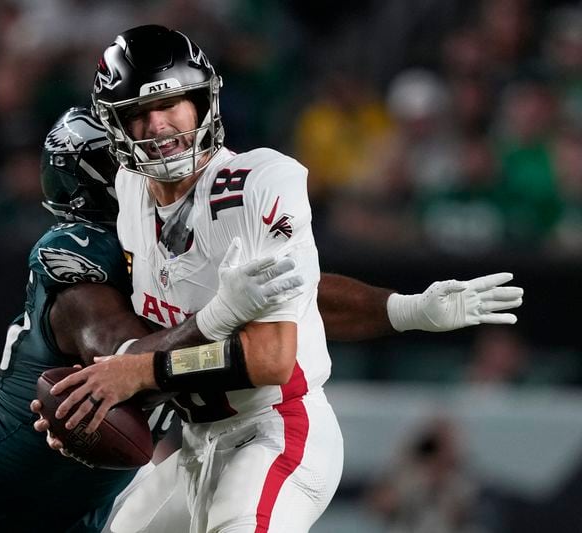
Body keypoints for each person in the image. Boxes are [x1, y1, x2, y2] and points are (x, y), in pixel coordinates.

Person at [48, 26, 522, 533]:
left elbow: (270, 356)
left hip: (277, 432)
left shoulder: (258, 182)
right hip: (196, 444)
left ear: (204, 102)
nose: (159, 125)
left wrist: (139, 373)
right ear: (114, 127)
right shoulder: (131, 193)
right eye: (139, 114)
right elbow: (298, 293)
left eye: (173, 104)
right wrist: (89, 398)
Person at [0, 106, 305, 533]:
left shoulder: (183, 235)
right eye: (137, 156)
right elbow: (124, 362)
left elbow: (291, 284)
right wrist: (222, 313)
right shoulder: (81, 257)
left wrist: (393, 310)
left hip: (86, 503)